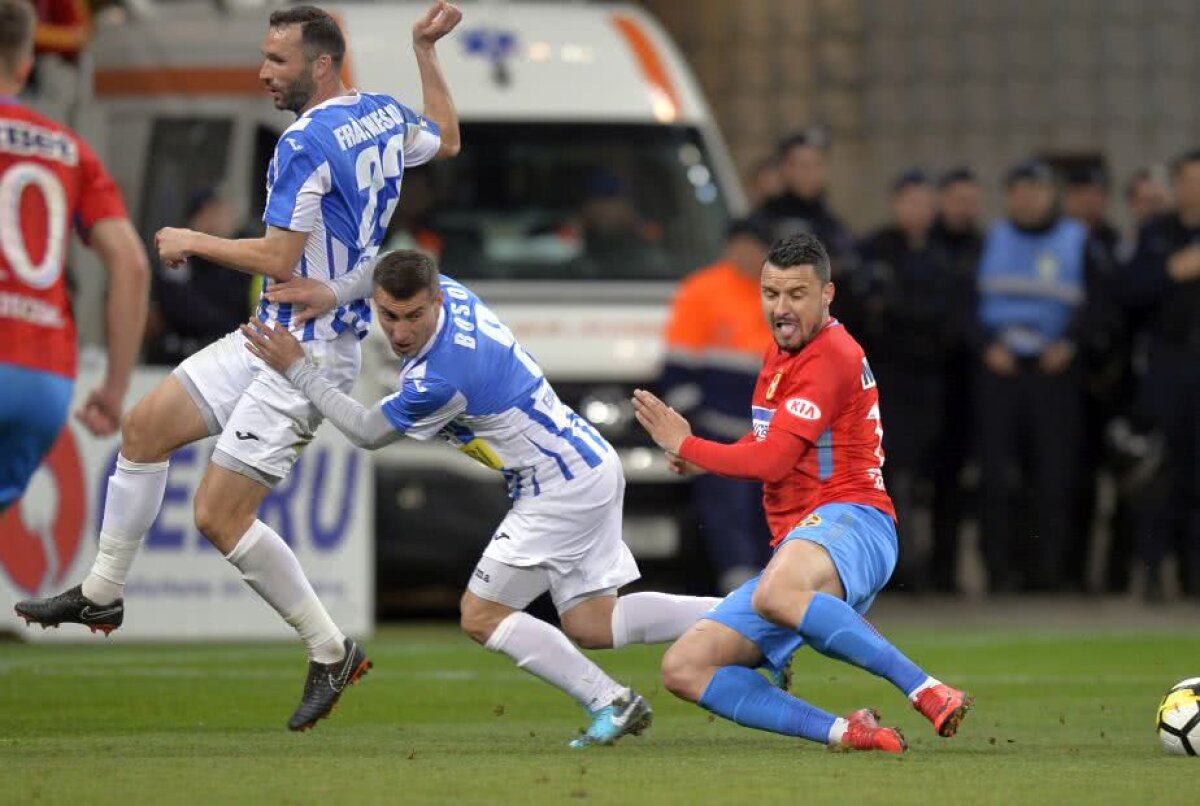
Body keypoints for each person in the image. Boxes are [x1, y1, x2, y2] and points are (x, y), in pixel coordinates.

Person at [16, 2, 462, 732]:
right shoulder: (380, 114)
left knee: (218, 516)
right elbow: (446, 136)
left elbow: (280, 256)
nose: (263, 72)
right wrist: (425, 51)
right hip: (271, 332)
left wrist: (195, 240)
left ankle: (330, 649)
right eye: (265, 56)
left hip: (307, 352)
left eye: (278, 60)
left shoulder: (304, 141)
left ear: (322, 64)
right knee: (144, 428)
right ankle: (101, 592)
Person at [241, 250, 723, 747]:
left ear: (435, 301)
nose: (400, 332)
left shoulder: (442, 378)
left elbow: (366, 430)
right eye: (389, 315)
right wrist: (333, 292)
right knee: (593, 624)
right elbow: (378, 269)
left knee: (481, 614)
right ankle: (743, 616)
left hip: (560, 487)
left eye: (413, 316)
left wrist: (298, 369)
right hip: (585, 464)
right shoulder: (448, 288)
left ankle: (612, 701)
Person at [631, 233, 972, 753]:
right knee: (685, 667)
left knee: (774, 594)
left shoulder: (830, 354)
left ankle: (926, 688)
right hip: (802, 542)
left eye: (796, 294)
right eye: (771, 294)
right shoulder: (782, 353)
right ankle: (846, 732)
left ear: (827, 294)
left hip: (854, 519)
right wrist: (699, 454)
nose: (781, 308)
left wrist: (688, 444)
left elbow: (772, 461)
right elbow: (770, 441)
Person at [0, 0, 148, 513]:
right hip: (42, 380)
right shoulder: (70, 150)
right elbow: (131, 265)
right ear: (25, 66)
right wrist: (114, 390)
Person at [973, 160, 1094, 594]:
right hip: (1000, 368)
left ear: (1051, 195)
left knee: (1052, 475)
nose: (1027, 199)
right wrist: (985, 345)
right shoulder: (991, 240)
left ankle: (1047, 572)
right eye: (1018, 191)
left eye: (1035, 190)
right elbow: (965, 302)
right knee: (996, 475)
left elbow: (1099, 303)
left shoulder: (1077, 240)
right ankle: (999, 572)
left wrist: (1071, 344)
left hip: (1053, 371)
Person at [857, 169, 963, 593]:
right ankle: (893, 571)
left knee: (933, 479)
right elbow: (865, 312)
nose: (918, 210)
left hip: (934, 384)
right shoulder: (875, 250)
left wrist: (899, 311)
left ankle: (937, 570)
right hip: (887, 384)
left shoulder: (942, 254)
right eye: (910, 201)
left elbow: (948, 316)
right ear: (895, 204)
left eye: (924, 202)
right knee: (887, 478)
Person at [658, 217, 775, 593]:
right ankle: (740, 589)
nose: (746, 254)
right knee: (727, 511)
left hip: (771, 431)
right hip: (718, 425)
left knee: (770, 510)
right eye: (740, 245)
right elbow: (676, 367)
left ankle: (772, 586)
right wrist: (695, 421)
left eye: (754, 247)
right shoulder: (702, 291)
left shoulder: (780, 293)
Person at [1121, 148, 1200, 600]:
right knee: (1157, 473)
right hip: (1168, 368)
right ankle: (1151, 572)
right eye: (1189, 180)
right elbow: (1127, 292)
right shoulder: (1156, 235)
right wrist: (1173, 271)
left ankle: (1194, 575)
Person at [928, 167, 984, 593]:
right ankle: (915, 572)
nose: (963, 207)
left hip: (972, 381)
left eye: (970, 200)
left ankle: (948, 572)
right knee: (922, 479)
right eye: (956, 198)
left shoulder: (986, 247)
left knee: (957, 482)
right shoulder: (925, 246)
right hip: (924, 381)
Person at [143, 187, 253, 366]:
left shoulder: (241, 265)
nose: (215, 222)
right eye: (207, 215)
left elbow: (241, 312)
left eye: (219, 214)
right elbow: (179, 308)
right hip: (180, 354)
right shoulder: (179, 260)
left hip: (228, 354)